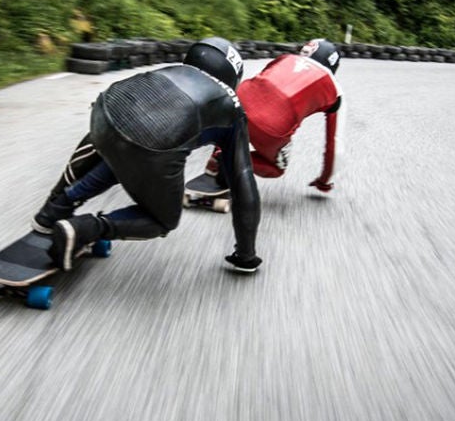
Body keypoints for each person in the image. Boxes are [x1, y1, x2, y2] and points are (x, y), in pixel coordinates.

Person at [32, 36, 263, 273]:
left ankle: (53, 210)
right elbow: (242, 181)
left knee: (119, 147)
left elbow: (114, 138)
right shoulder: (232, 107)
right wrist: (246, 254)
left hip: (105, 110)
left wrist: (57, 200)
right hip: (152, 146)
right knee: (163, 220)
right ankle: (86, 229)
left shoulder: (170, 70)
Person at [190, 38, 343, 197]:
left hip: (239, 98)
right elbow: (334, 143)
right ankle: (226, 159)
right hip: (274, 126)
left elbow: (261, 81)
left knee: (236, 124)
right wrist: (324, 181)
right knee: (277, 169)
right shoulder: (335, 91)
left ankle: (217, 158)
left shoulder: (287, 58)